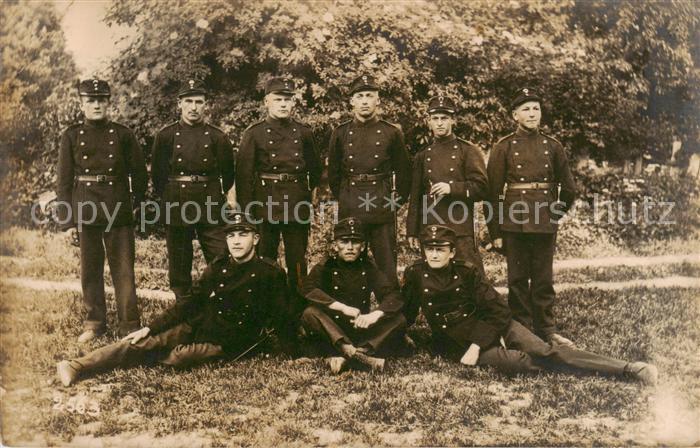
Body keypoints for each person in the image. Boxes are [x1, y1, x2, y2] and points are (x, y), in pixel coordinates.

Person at [401, 225, 658, 386]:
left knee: (546, 352)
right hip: (458, 341)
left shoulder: (467, 272)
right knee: (521, 364)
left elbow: (499, 309)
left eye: (440, 249)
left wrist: (477, 345)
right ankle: (571, 364)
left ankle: (629, 369)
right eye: (429, 249)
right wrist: (399, 333)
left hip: (496, 325)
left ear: (452, 252)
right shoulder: (415, 274)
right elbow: (406, 312)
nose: (434, 254)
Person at [56, 212, 288, 386]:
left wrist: (280, 349)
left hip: (229, 342)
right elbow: (188, 302)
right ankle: (75, 365)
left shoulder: (271, 273)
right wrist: (149, 327)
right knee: (143, 342)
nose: (236, 241)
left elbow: (280, 318)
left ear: (256, 239)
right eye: (231, 236)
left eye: (243, 235)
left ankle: (139, 356)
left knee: (178, 358)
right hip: (201, 325)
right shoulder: (218, 267)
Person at [56, 78, 147, 342]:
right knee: (90, 268)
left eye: (101, 100)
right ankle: (94, 323)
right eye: (91, 100)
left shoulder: (123, 134)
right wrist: (67, 221)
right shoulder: (71, 136)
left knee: (124, 269)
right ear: (82, 104)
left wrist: (136, 205)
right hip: (86, 207)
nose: (96, 105)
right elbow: (63, 181)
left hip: (117, 207)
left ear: (109, 102)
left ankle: (129, 324)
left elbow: (139, 174)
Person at [486, 87, 577, 346]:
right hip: (513, 222)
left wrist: (553, 215)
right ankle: (522, 329)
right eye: (525, 109)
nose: (532, 113)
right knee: (516, 279)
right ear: (515, 115)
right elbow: (492, 195)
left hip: (544, 219)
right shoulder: (503, 147)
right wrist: (496, 233)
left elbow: (569, 189)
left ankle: (546, 329)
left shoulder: (553, 146)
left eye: (536, 108)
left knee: (543, 278)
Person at [236, 77, 322, 303]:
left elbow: (315, 169)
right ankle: (266, 306)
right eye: (278, 99)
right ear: (267, 102)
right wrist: (248, 212)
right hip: (265, 203)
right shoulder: (254, 133)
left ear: (293, 103)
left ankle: (298, 306)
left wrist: (307, 194)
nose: (283, 104)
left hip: (296, 203)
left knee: (296, 259)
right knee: (266, 258)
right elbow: (244, 176)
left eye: (287, 100)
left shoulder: (304, 132)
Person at [151, 79, 235, 301]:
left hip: (209, 200)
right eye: (189, 101)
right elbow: (158, 175)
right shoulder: (166, 136)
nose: (194, 107)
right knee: (179, 262)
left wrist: (217, 195)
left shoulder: (217, 136)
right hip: (177, 201)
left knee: (220, 255)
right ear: (179, 104)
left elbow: (228, 174)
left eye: (199, 102)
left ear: (206, 104)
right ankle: (184, 309)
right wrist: (170, 195)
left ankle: (223, 303)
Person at [327, 74, 412, 287]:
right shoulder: (340, 133)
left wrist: (394, 204)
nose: (364, 101)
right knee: (350, 264)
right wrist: (345, 198)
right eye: (360, 96)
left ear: (378, 100)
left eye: (369, 95)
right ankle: (352, 311)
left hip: (381, 206)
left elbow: (404, 173)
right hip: (351, 206)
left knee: (386, 267)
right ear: (352, 101)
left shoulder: (391, 132)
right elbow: (334, 175)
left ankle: (391, 314)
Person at [300, 217, 406, 373]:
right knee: (310, 313)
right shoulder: (327, 265)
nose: (350, 247)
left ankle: (356, 354)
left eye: (355, 242)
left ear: (362, 246)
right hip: (331, 330)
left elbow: (393, 295)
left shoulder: (368, 266)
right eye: (344, 242)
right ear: (335, 246)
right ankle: (353, 353)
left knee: (399, 319)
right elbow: (307, 288)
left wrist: (374, 315)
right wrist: (342, 308)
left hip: (359, 329)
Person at [407, 95, 488, 272]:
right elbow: (415, 197)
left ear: (453, 120)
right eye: (435, 119)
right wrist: (412, 231)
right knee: (435, 281)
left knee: (471, 278)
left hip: (460, 227)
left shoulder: (467, 150)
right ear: (429, 122)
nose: (440, 123)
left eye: (444, 118)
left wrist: (452, 188)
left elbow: (481, 188)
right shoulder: (423, 155)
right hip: (432, 227)